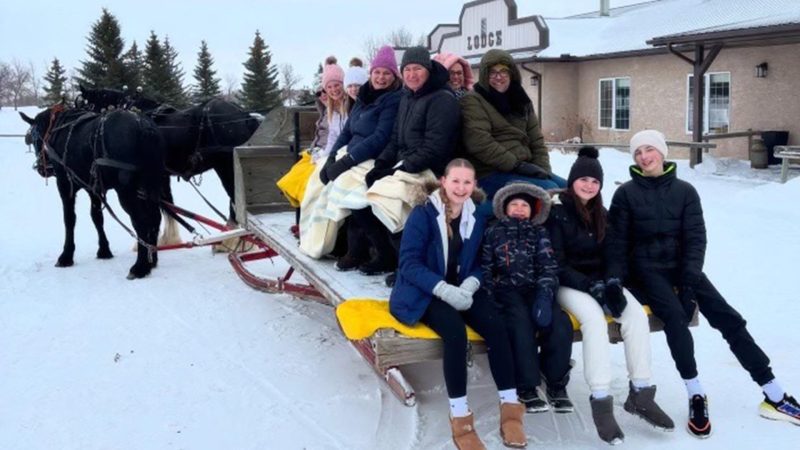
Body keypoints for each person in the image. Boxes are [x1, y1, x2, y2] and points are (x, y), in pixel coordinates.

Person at [606, 130, 800, 438]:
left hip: (683, 268)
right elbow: (616, 244)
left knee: (729, 319)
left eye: (649, 149)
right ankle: (696, 393)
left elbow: (696, 239)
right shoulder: (626, 194)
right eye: (638, 152)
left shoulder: (685, 191)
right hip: (646, 270)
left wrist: (688, 282)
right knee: (675, 321)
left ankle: (774, 394)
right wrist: (615, 281)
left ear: (662, 152)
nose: (644, 156)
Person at [390, 158, 527, 450]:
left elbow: (479, 262)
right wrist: (442, 289)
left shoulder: (475, 215)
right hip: (425, 291)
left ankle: (510, 407)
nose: (461, 188)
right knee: (455, 332)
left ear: (474, 185)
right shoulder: (423, 214)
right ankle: (460, 416)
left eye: (467, 182)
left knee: (497, 326)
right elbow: (409, 264)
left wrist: (470, 284)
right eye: (455, 181)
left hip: (462, 288)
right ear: (443, 181)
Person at [546, 146, 674, 444]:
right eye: (584, 179)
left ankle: (641, 393)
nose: (589, 185)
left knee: (635, 316)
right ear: (572, 181)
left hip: (601, 281)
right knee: (593, 319)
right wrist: (590, 286)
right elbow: (557, 263)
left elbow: (614, 253)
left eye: (595, 181)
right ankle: (601, 400)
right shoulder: (557, 213)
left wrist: (613, 282)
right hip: (567, 283)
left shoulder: (602, 214)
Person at [354, 46, 461, 276]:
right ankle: (386, 255)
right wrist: (381, 164)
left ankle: (409, 265)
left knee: (388, 199)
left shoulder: (442, 99)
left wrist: (398, 169)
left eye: (417, 69)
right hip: (407, 166)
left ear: (428, 70)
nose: (412, 74)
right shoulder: (407, 97)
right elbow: (395, 139)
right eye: (408, 69)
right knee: (360, 193)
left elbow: (435, 148)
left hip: (432, 170)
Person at [482, 182, 574, 415]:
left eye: (525, 205)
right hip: (507, 291)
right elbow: (486, 267)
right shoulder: (494, 231)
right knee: (520, 324)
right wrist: (491, 296)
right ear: (505, 207)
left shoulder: (539, 233)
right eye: (514, 204)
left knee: (560, 324)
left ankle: (556, 382)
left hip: (535, 289)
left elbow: (548, 266)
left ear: (533, 210)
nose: (519, 209)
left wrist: (544, 295)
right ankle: (527, 385)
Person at [318, 46, 402, 270]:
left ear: (394, 76)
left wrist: (347, 161)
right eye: (377, 72)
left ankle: (383, 252)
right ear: (371, 73)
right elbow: (346, 131)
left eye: (386, 73)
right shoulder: (364, 97)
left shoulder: (393, 99)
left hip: (375, 157)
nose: (381, 77)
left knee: (355, 196)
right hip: (355, 155)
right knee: (325, 186)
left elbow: (380, 136)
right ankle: (343, 246)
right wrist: (332, 157)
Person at [460, 49, 566, 217]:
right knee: (548, 190)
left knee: (569, 189)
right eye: (493, 72)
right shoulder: (473, 100)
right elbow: (480, 142)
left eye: (504, 71)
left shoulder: (521, 100)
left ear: (512, 74)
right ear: (485, 75)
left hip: (524, 169)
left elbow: (536, 140)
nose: (499, 77)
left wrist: (542, 170)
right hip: (490, 172)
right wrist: (517, 165)